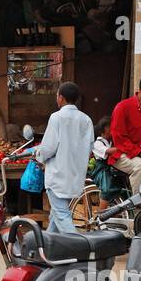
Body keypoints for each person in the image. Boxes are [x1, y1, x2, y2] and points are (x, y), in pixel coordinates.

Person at [36, 82, 95, 234]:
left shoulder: (57, 118)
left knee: (62, 216)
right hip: (75, 177)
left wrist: (38, 156)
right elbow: (89, 148)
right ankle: (49, 249)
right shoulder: (86, 120)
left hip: (57, 177)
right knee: (56, 215)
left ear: (60, 98)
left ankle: (79, 248)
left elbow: (48, 148)